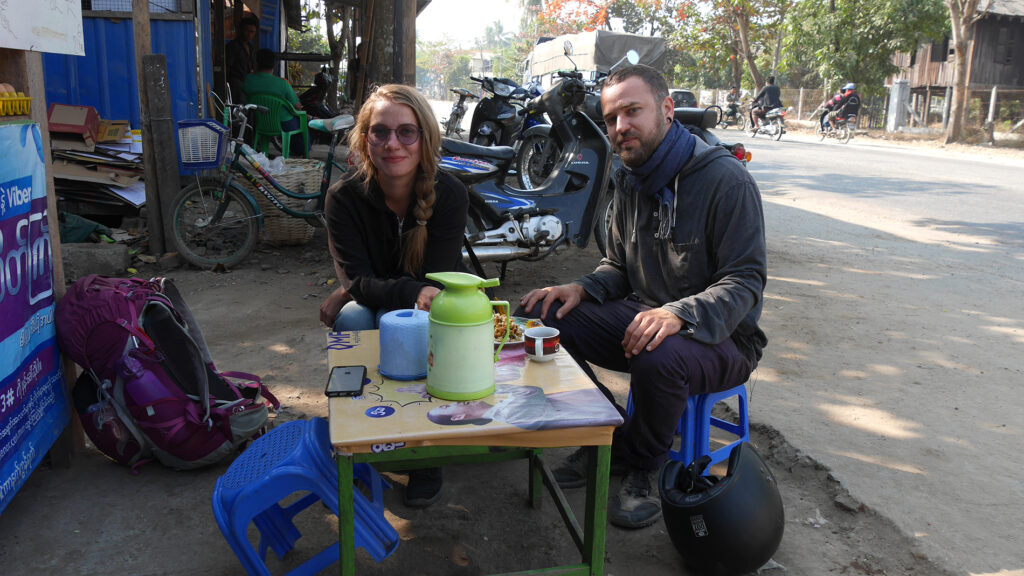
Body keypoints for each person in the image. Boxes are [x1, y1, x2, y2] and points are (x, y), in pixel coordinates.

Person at [517, 64, 767, 530]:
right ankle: (607, 431)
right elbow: (617, 267)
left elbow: (745, 281)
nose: (620, 128)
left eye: (633, 112)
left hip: (725, 339)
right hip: (645, 320)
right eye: (611, 118)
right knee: (538, 317)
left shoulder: (726, 181)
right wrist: (579, 288)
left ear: (667, 110)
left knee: (661, 357)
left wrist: (678, 313)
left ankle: (641, 466)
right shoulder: (629, 178)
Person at [319, 84, 470, 508]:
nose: (393, 144)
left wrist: (352, 287)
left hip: (427, 305)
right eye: (380, 132)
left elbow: (436, 281)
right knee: (353, 320)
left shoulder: (450, 193)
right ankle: (359, 441)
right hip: (391, 294)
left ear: (425, 138)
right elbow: (360, 279)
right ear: (364, 139)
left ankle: (424, 453)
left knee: (410, 327)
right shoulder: (343, 197)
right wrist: (350, 288)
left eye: (407, 132)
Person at [243, 49, 308, 157]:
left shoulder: (249, 79)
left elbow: (247, 98)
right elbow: (297, 107)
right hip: (284, 124)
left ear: (257, 63)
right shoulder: (282, 83)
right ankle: (302, 152)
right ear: (275, 64)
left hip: (261, 123)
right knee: (301, 119)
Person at [225, 13, 258, 105]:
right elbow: (228, 66)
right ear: (241, 30)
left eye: (252, 32)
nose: (249, 35)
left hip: (246, 81)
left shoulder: (251, 47)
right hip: (235, 83)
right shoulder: (233, 46)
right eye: (247, 31)